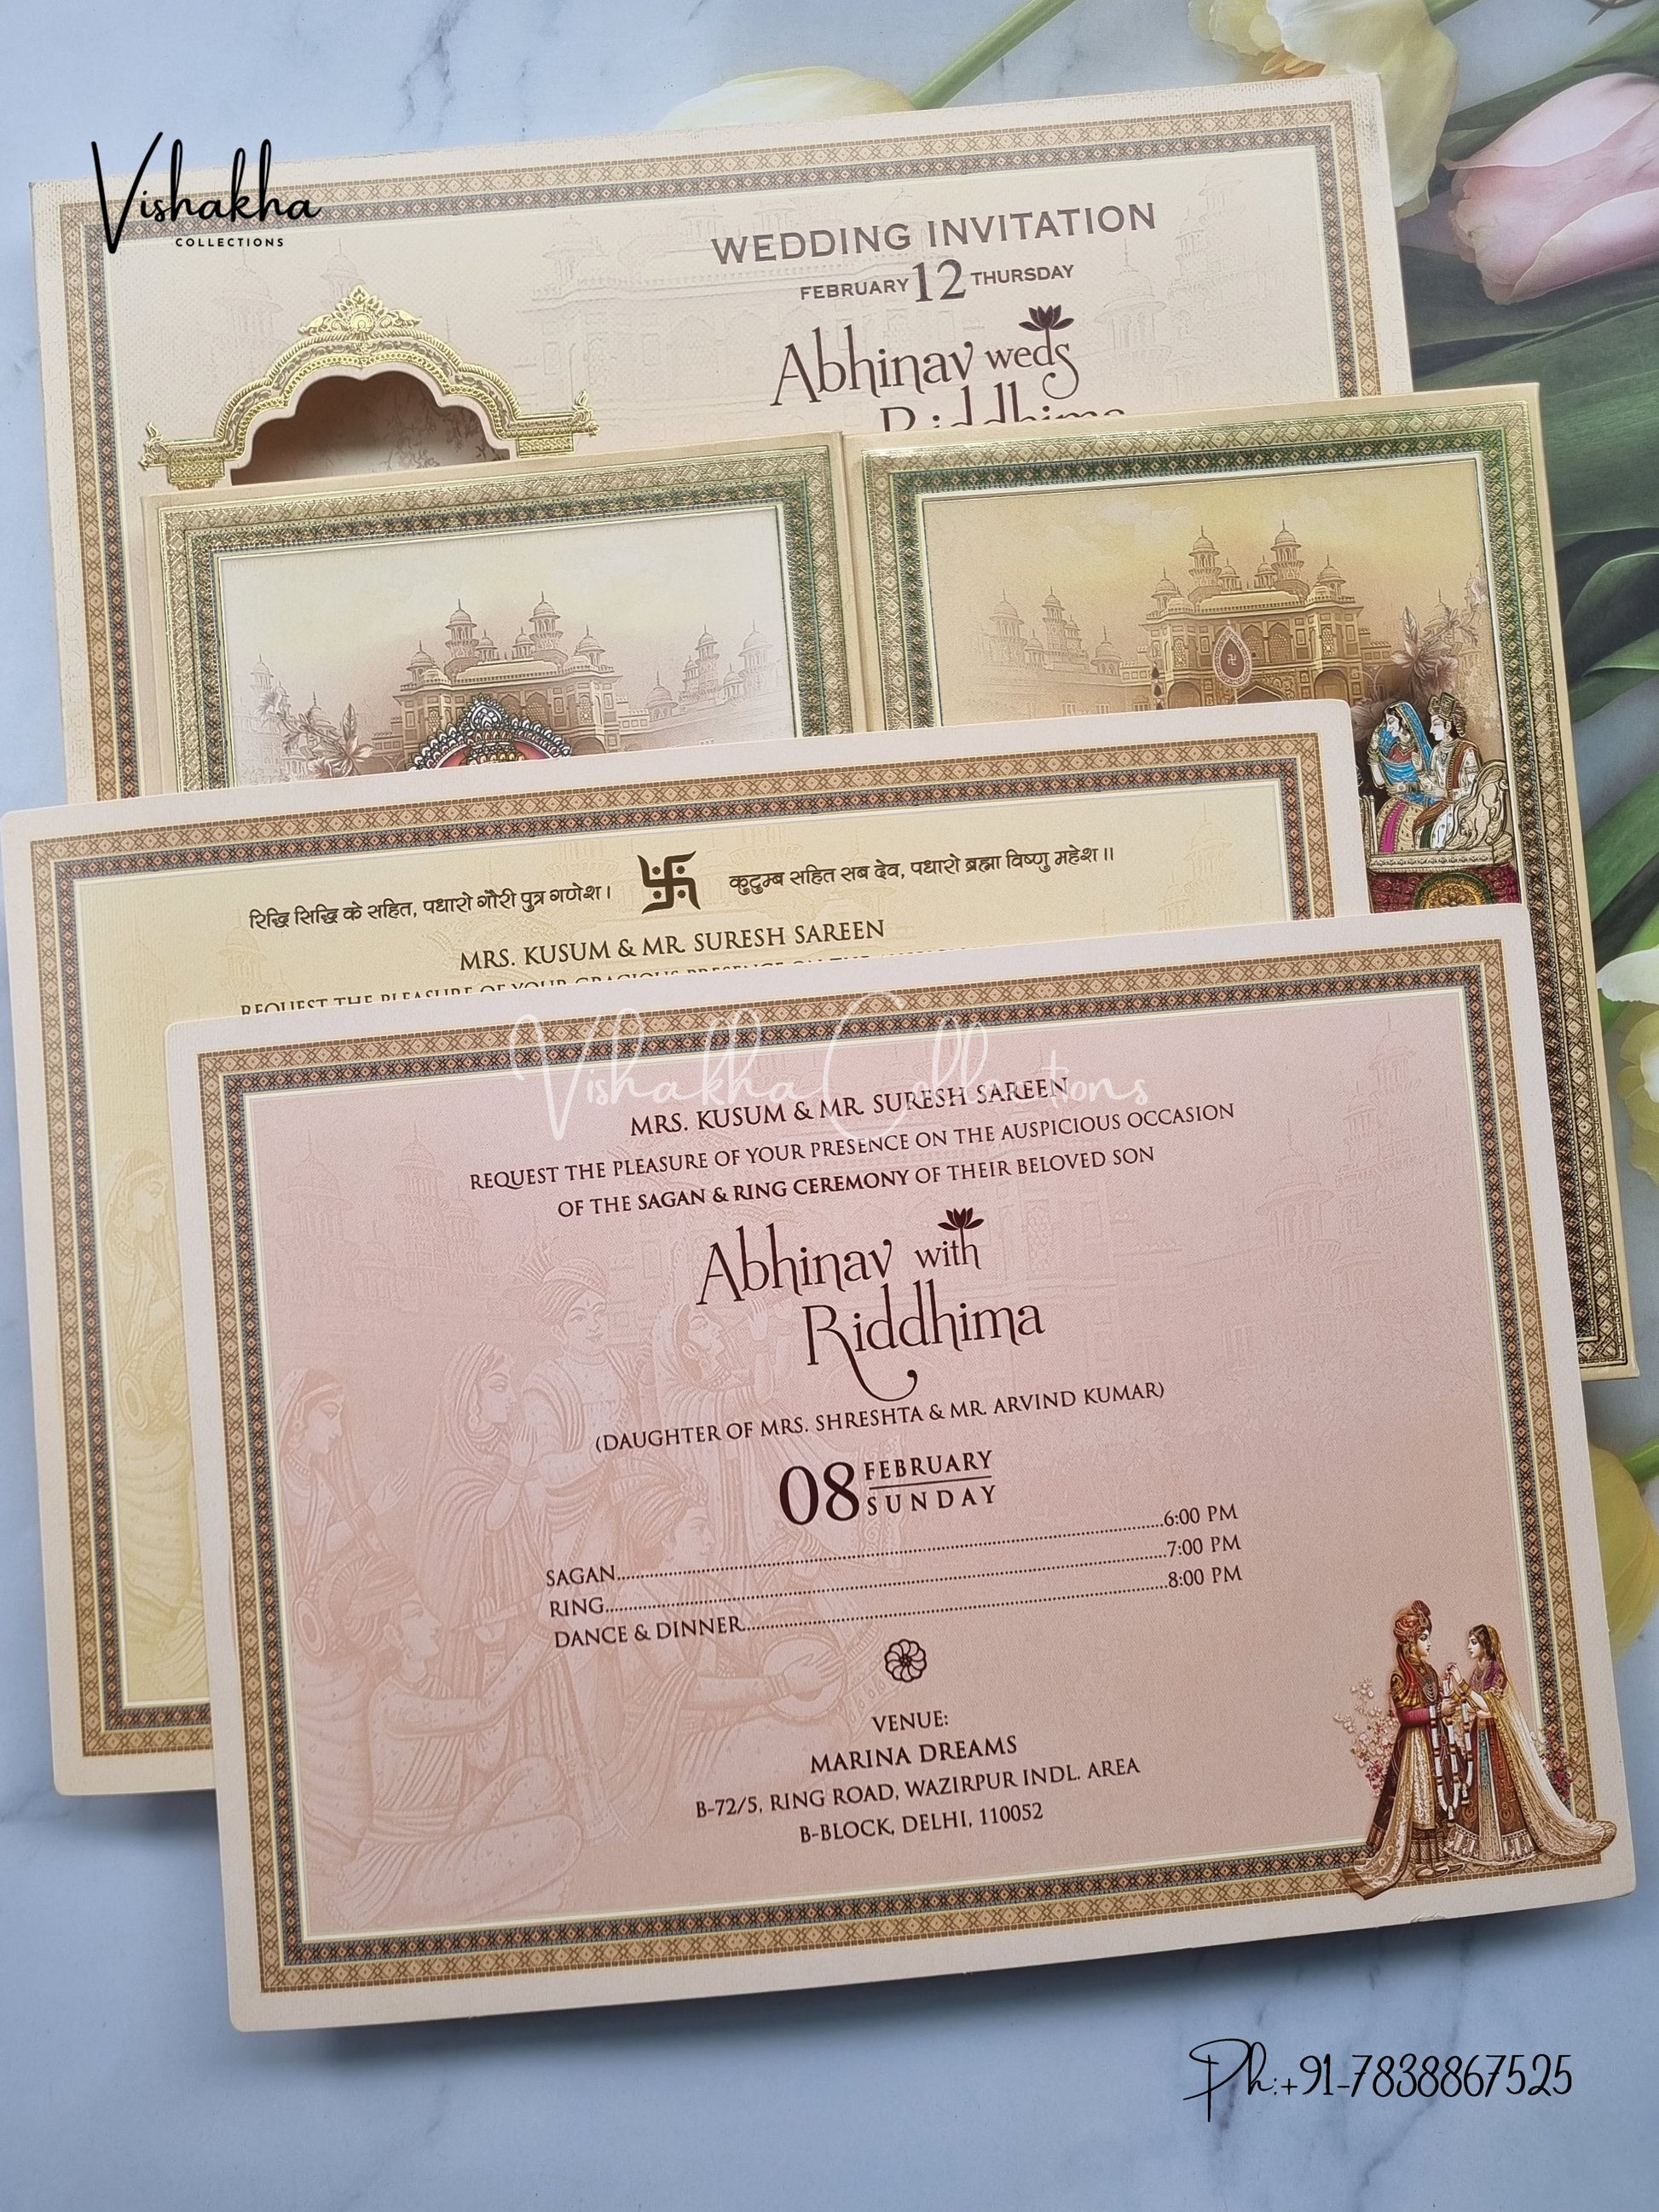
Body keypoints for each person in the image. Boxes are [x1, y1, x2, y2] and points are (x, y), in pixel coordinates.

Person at [330, 1592, 581, 1933]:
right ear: (394, 1636)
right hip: (403, 1866)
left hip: (447, 1838)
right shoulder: (393, 1705)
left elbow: (485, 1754)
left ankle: (496, 1891)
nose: (435, 1623)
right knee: (564, 1835)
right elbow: (485, 1710)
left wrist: (494, 1650)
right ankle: (509, 1899)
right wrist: (540, 1631)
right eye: (418, 1615)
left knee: (542, 1776)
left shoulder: (437, 1691)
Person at [275, 1369, 406, 1896]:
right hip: (298, 1638)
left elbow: (333, 1549)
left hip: (324, 1632)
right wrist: (369, 1512)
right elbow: (301, 1558)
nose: (336, 1429)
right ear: (297, 1421)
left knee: (361, 1685)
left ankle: (355, 1840)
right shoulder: (278, 1482)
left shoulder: (317, 1482)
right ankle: (325, 1845)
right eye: (329, 1416)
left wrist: (378, 1545)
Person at [101, 1149, 201, 1700]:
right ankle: (147, 1601)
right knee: (173, 1453)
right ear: (123, 1199)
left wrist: (185, 1297)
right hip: (122, 1415)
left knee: (182, 1449)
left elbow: (152, 1326)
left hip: (143, 1405)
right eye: (154, 1195)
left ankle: (167, 1602)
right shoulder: (104, 1262)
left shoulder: (140, 1263)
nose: (160, 1210)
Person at [1441, 1624, 1616, 1869]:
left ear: (1486, 1646)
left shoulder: (1496, 1671)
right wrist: (1454, 1691)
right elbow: (1472, 1705)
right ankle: (1482, 1846)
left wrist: (1463, 1686)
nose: (1468, 1646)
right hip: (1480, 1738)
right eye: (1469, 1641)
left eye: (1474, 1642)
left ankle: (1510, 1847)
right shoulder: (1477, 1673)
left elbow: (1489, 1706)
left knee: (1503, 1791)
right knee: (1479, 1789)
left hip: (1498, 1742)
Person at [1344, 1600, 1461, 1898]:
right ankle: (1421, 1861)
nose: (1429, 1643)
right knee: (1421, 1798)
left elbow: (1438, 1703)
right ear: (1410, 1644)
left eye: (1428, 1637)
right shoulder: (1400, 1676)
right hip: (1415, 1747)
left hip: (1435, 1742)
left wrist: (1449, 1701)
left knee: (1438, 1796)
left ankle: (1438, 1857)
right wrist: (1437, 1711)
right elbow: (1406, 1717)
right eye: (1424, 1638)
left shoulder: (1431, 1672)